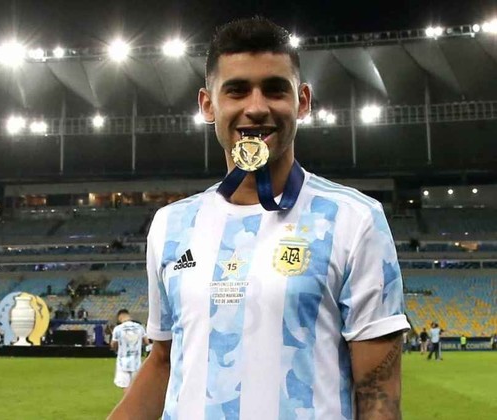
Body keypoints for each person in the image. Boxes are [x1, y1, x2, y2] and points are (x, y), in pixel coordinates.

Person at [109, 16, 409, 420]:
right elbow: (163, 360)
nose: (256, 107)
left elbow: (378, 394)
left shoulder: (355, 219)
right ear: (208, 105)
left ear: (302, 101)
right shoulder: (171, 225)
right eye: (236, 90)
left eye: (274, 89)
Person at [110, 309, 148, 394]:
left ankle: (129, 402)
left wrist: (117, 348)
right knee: (135, 386)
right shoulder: (139, 327)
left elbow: (113, 344)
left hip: (123, 362)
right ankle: (137, 402)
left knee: (126, 386)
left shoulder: (118, 329)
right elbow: (146, 341)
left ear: (119, 317)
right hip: (136, 362)